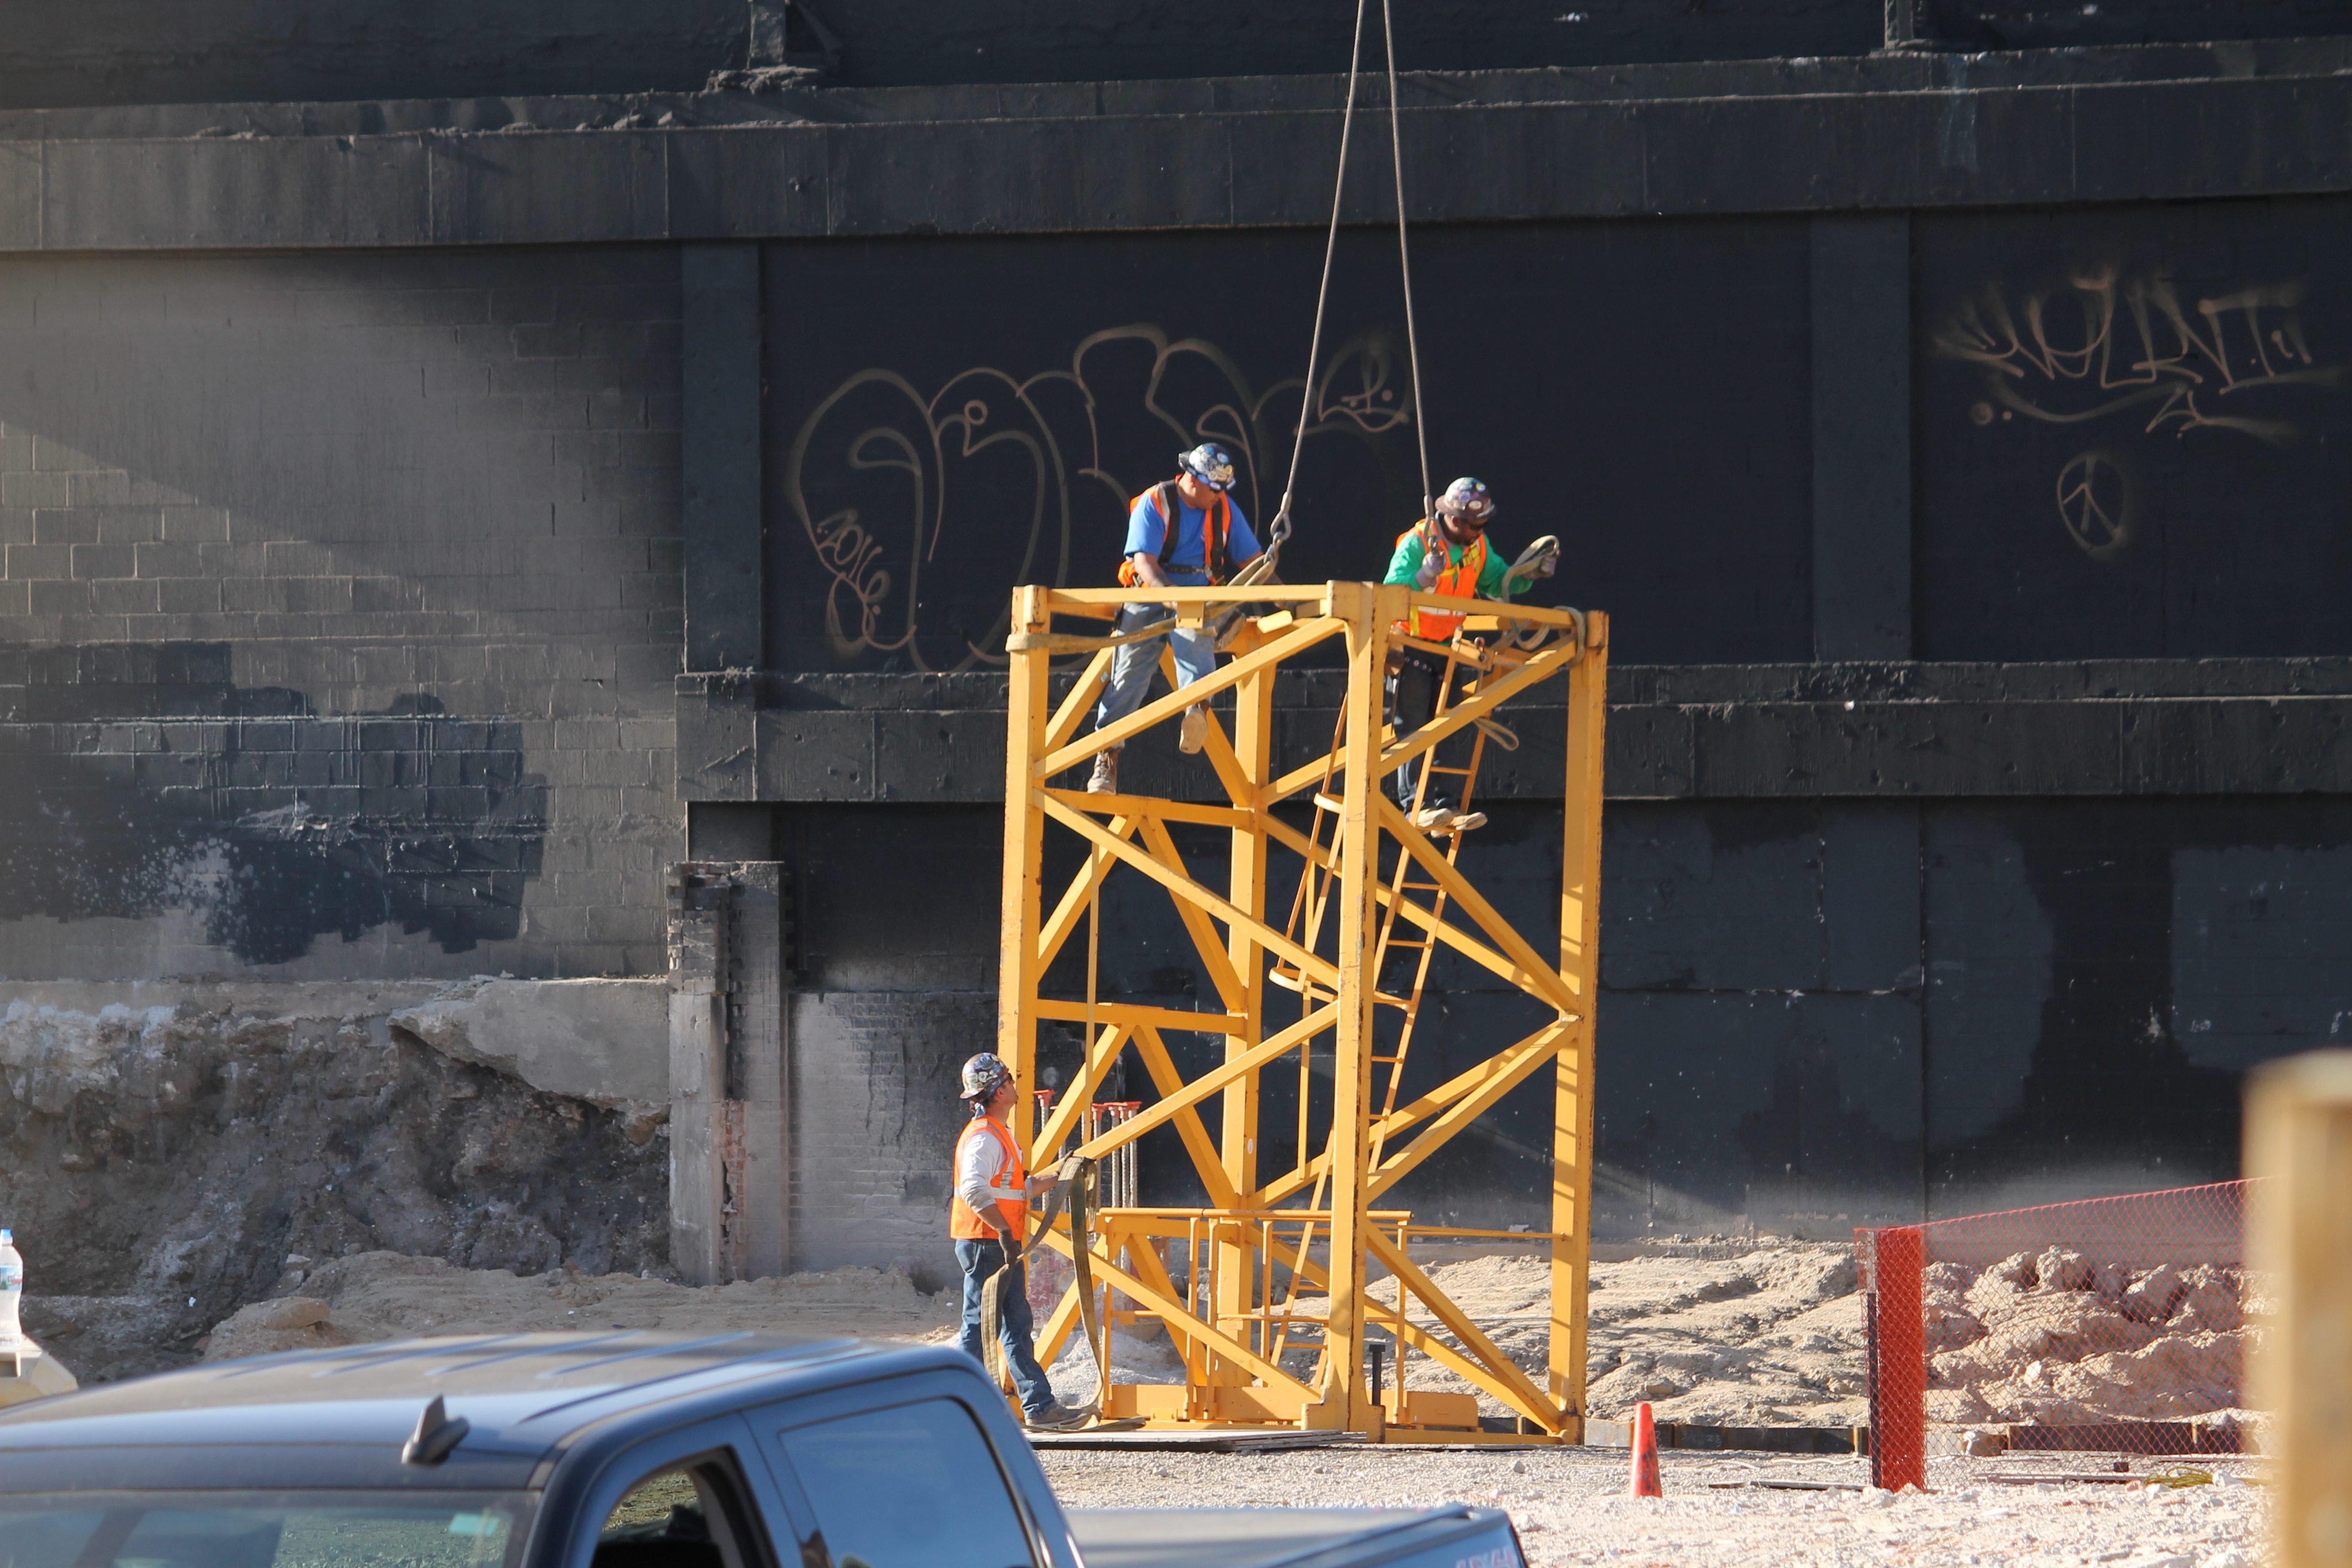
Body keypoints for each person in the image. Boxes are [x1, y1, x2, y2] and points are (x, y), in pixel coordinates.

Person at [1085, 443, 1265, 795]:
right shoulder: (1156, 503)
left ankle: (1196, 709)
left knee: (1196, 636)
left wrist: (1288, 596)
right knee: (1129, 673)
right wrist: (1174, 600)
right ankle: (1107, 756)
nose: (1220, 496)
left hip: (1197, 597)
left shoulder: (1222, 506)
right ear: (1193, 481)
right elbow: (1145, 564)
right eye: (1215, 489)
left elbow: (1254, 562)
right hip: (1151, 594)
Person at [1382, 477, 1558, 832]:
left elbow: (1497, 582)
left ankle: (1446, 807)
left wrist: (1531, 575)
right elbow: (1390, 592)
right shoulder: (1418, 543)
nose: (1479, 531)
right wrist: (1422, 574)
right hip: (1412, 643)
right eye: (1474, 525)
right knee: (1414, 727)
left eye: (1483, 525)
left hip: (1446, 649)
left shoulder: (1478, 547)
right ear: (1455, 520)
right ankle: (1416, 806)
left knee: (1447, 728)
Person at [950, 1052, 1091, 1430]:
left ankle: (1039, 1407)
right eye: (1009, 1081)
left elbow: (1018, 1189)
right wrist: (1003, 1232)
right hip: (987, 1243)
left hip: (997, 1243)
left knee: (1015, 1324)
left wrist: (1060, 1174)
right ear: (997, 1092)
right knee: (979, 1327)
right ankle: (958, 1410)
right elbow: (975, 1191)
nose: (1015, 1085)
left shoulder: (999, 1135)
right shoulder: (985, 1138)